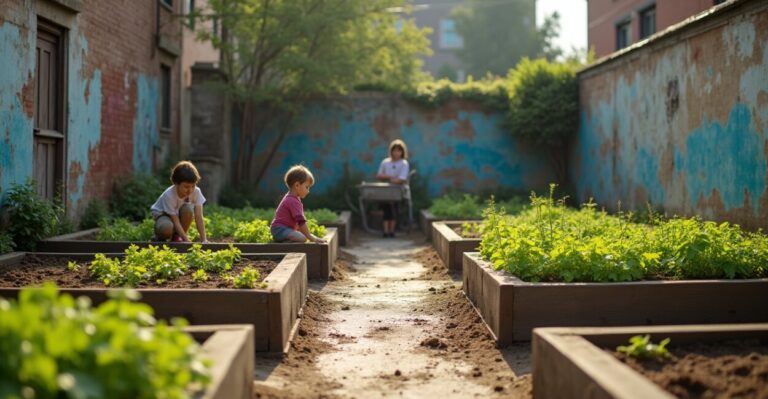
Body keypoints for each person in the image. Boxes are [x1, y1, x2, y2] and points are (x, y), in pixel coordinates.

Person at [150, 161, 208, 243]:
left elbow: (199, 216)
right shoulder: (169, 195)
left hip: (178, 213)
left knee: (188, 209)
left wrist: (204, 240)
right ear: (176, 183)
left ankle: (177, 236)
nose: (190, 190)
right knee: (166, 228)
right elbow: (175, 220)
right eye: (186, 187)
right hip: (163, 215)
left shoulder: (196, 192)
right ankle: (159, 237)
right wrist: (187, 240)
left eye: (193, 185)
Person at [270, 165, 327, 243]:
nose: (308, 191)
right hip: (280, 229)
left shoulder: (293, 198)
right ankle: (285, 243)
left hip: (281, 229)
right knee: (302, 238)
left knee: (302, 236)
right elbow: (301, 222)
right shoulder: (292, 201)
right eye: (307, 187)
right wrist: (311, 237)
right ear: (297, 185)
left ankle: (286, 240)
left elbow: (299, 222)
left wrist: (308, 235)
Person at [376, 139, 410, 238]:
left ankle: (392, 231)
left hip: (398, 192)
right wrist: (391, 178)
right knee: (386, 211)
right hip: (385, 191)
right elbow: (379, 175)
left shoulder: (404, 163)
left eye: (399, 150)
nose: (396, 153)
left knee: (394, 211)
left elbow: (401, 179)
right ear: (391, 151)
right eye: (394, 150)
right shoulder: (385, 162)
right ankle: (386, 231)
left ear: (402, 152)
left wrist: (388, 178)